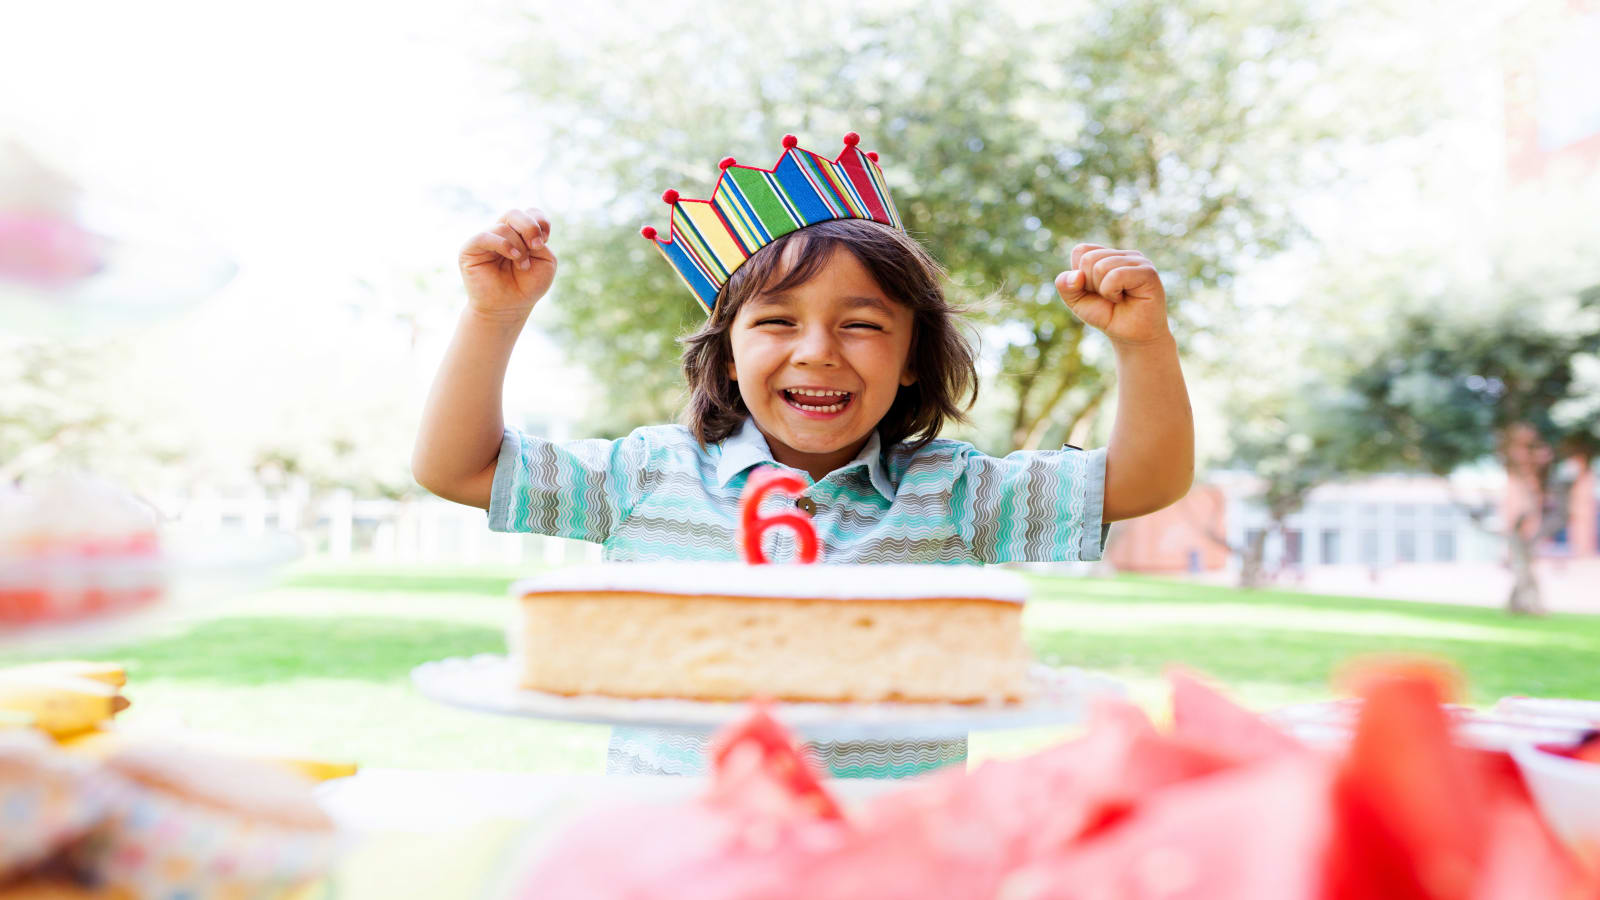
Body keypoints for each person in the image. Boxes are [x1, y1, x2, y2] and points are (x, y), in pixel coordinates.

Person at [411, 134, 1194, 777]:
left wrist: (1143, 344)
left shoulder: (951, 493)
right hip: (683, 856)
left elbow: (1145, 481)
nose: (816, 353)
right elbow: (455, 466)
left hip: (887, 860)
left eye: (861, 324)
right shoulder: (648, 475)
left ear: (914, 356)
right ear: (725, 356)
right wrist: (496, 316)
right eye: (778, 322)